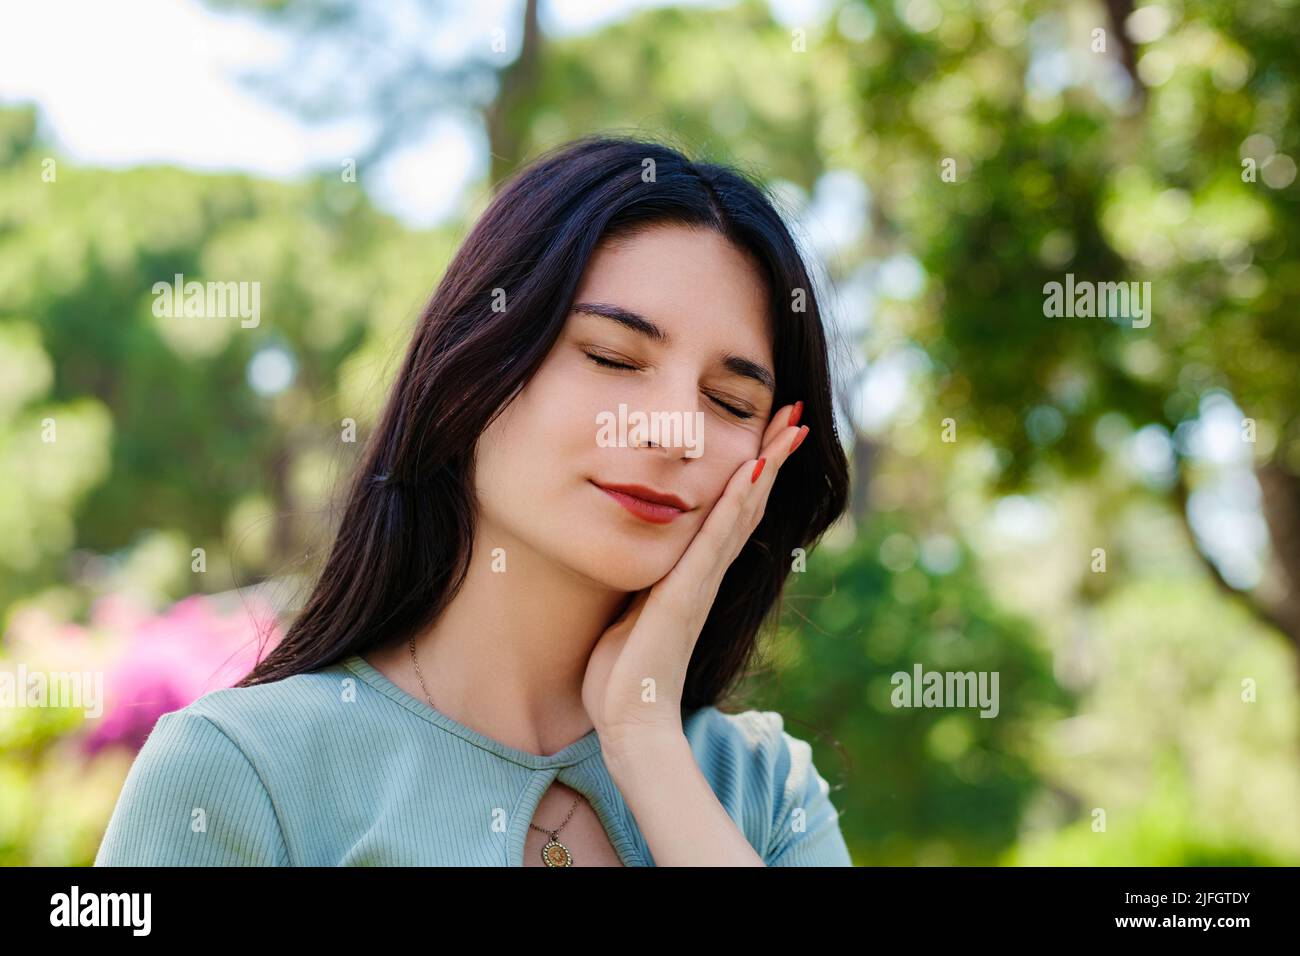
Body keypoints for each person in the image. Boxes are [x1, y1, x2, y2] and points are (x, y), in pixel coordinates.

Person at [94, 134, 853, 866]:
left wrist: (643, 737)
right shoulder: (243, 775)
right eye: (612, 357)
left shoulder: (764, 791)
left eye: (728, 402)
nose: (672, 431)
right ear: (475, 368)